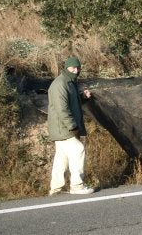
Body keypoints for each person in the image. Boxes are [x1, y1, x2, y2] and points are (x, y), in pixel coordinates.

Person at [47, 56, 94, 195]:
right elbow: (62, 109)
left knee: (61, 157)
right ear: (66, 68)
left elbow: (71, 103)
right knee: (78, 149)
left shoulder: (70, 82)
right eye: (72, 67)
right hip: (63, 128)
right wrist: (73, 126)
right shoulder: (60, 84)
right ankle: (77, 186)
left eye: (78, 68)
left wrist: (82, 97)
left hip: (63, 127)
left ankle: (56, 189)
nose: (76, 70)